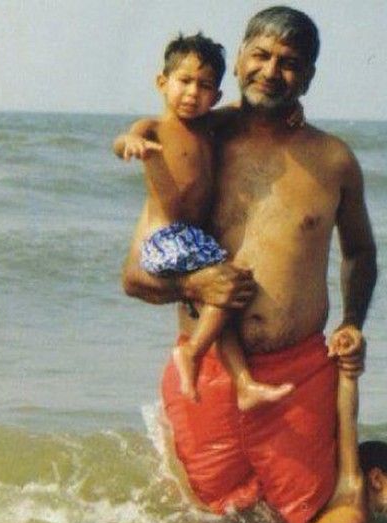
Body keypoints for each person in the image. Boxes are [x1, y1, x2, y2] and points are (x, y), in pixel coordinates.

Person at [122, 7, 378, 523]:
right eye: (260, 55)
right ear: (238, 61)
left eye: (289, 62)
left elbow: (359, 252)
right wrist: (194, 284)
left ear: (308, 76)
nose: (271, 71)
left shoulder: (334, 160)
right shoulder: (195, 144)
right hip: (207, 373)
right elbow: (134, 276)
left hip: (297, 379)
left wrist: (353, 322)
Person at [113, 33, 294, 410]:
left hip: (191, 238)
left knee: (223, 298)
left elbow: (245, 110)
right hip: (166, 237)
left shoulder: (210, 125)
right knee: (229, 284)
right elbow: (125, 138)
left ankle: (243, 384)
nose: (193, 93)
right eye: (184, 81)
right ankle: (193, 352)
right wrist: (130, 144)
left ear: (215, 94)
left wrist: (288, 112)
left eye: (205, 85)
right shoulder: (154, 127)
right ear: (162, 82)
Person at [173, 327, 387, 523]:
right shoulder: (351, 494)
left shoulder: (343, 508)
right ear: (377, 479)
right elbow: (347, 419)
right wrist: (349, 376)